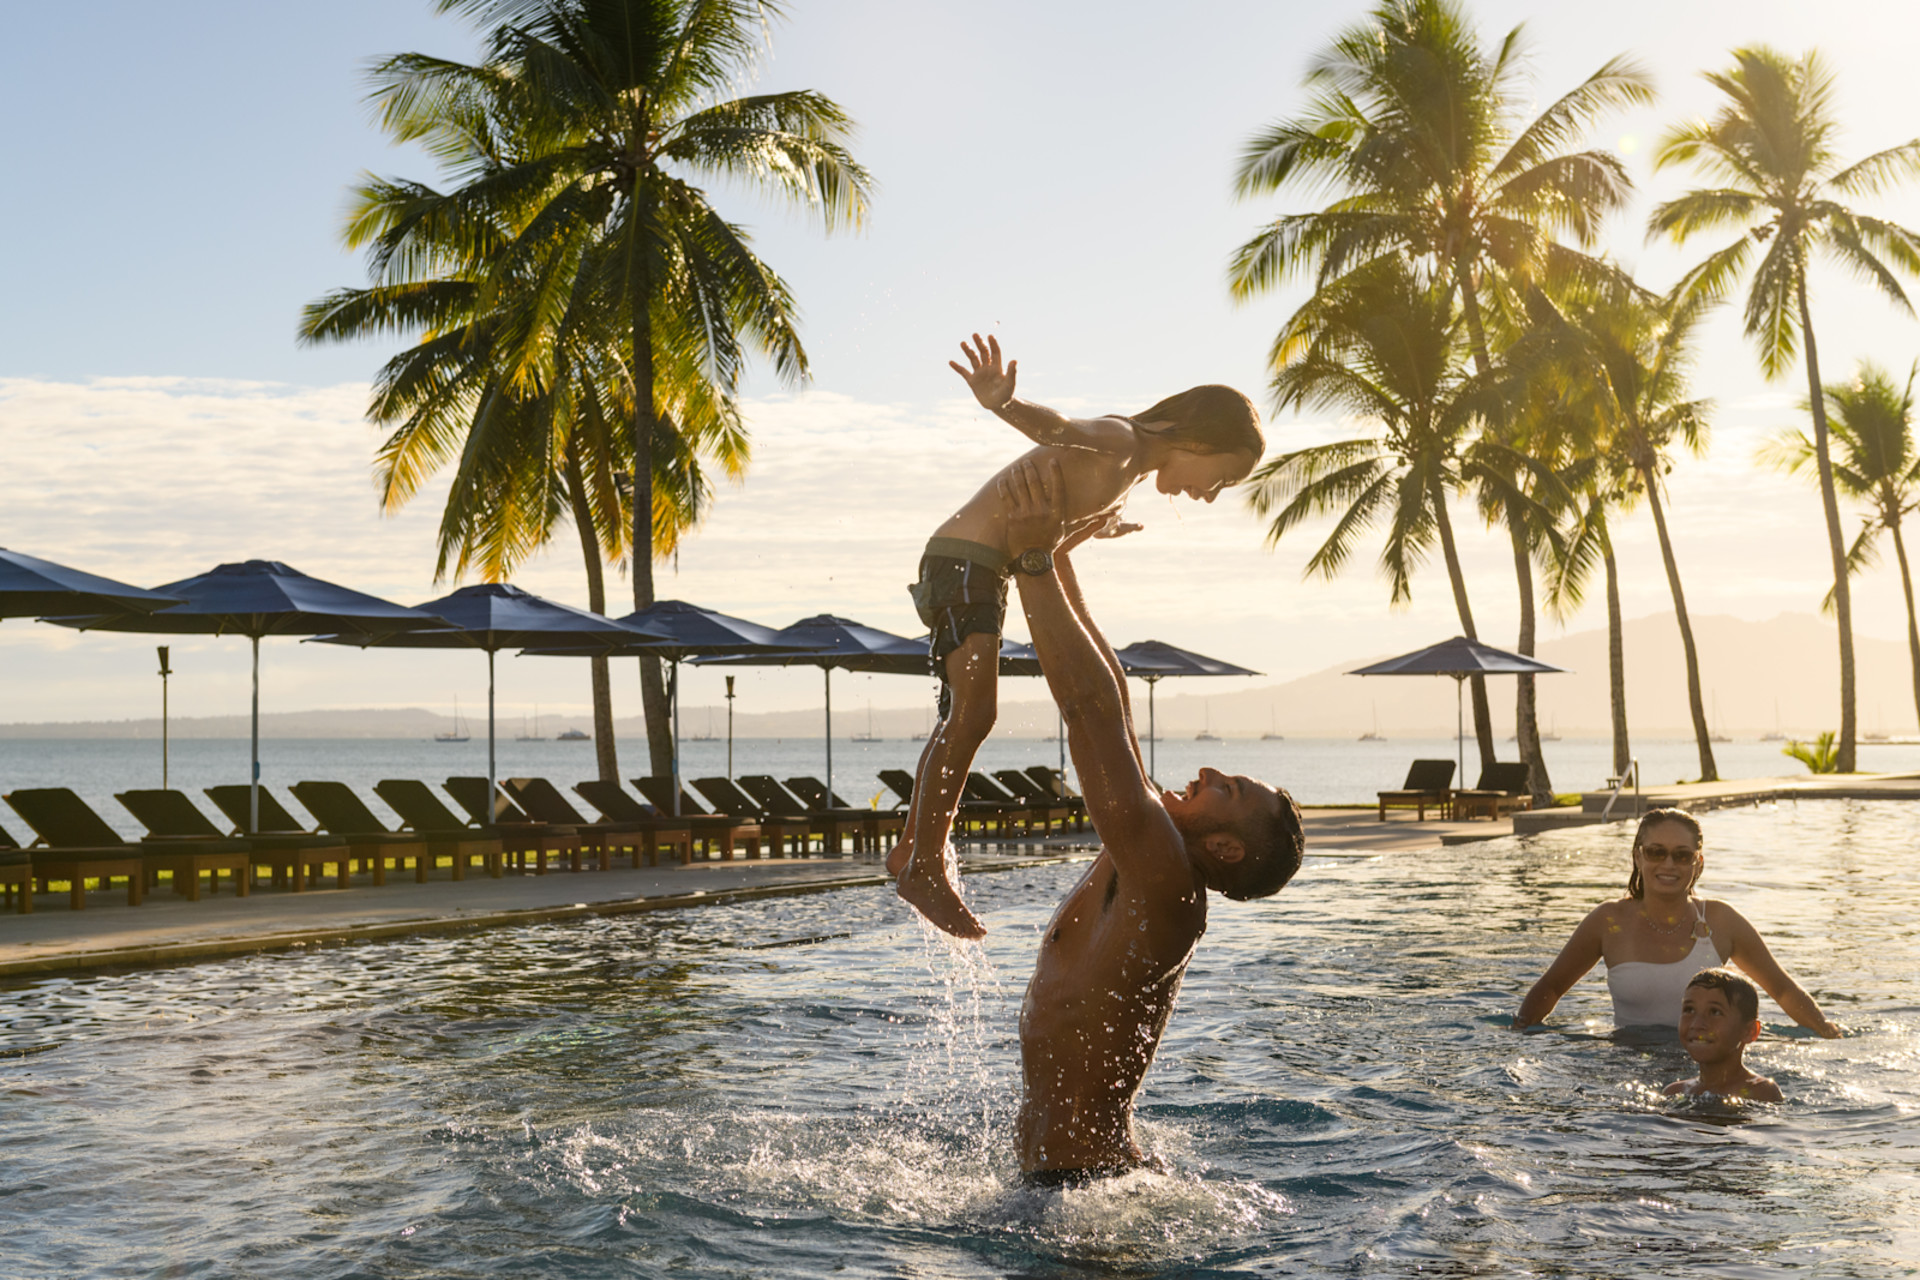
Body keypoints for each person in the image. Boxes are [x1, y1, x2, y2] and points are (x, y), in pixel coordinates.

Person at [888, 333, 1263, 939]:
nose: (1210, 493)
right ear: (1200, 440)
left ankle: (916, 853)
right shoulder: (1122, 441)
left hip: (977, 567)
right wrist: (1004, 405)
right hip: (966, 564)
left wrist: (1093, 527)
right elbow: (1057, 428)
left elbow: (1049, 537)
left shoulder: (1125, 476)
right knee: (973, 714)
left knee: (967, 714)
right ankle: (923, 862)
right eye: (1220, 476)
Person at [996, 456, 1303, 1182]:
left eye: (1224, 788)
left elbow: (1091, 713)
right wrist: (1061, 558)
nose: (1204, 773)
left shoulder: (1166, 883)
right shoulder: (1155, 853)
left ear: (1224, 849)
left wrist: (1033, 561)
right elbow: (1116, 703)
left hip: (1083, 1192)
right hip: (1061, 1185)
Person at [1511, 807, 1842, 1037]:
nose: (1668, 864)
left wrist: (1826, 1031)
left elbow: (1782, 989)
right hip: (1626, 1066)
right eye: (1656, 852)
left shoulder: (1721, 921)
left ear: (1697, 862)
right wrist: (1517, 1036)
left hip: (1705, 1067)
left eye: (1681, 855)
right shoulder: (1607, 921)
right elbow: (1550, 988)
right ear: (1638, 856)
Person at [1663, 967, 1784, 1102]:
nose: (1697, 1024)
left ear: (1750, 1031)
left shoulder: (1761, 1091)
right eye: (1689, 1010)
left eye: (1715, 1012)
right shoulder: (1674, 1092)